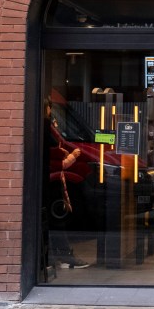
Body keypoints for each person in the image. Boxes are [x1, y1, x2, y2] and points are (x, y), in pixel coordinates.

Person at [43, 101, 90, 269]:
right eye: (50, 107)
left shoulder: (45, 127)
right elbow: (57, 162)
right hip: (52, 182)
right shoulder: (45, 128)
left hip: (49, 182)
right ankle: (62, 256)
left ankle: (49, 258)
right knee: (57, 218)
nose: (51, 110)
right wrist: (72, 156)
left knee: (51, 219)